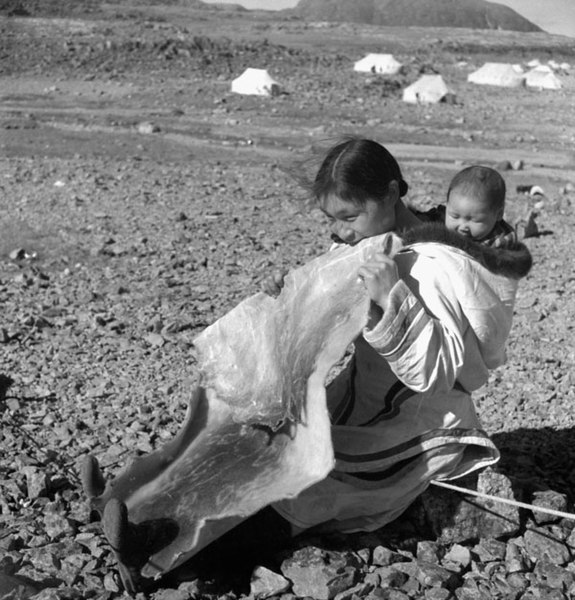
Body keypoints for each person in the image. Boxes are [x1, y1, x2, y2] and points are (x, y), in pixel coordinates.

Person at [84, 137, 532, 593]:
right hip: (362, 399)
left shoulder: (435, 263)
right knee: (255, 446)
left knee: (303, 493)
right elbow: (330, 302)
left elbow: (437, 375)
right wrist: (296, 297)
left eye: (349, 217)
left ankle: (161, 553)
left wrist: (391, 298)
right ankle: (134, 506)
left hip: (418, 424)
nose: (341, 232)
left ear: (392, 194)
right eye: (332, 220)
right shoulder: (378, 244)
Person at [416, 165, 517, 247]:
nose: (463, 226)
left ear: (498, 214)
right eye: (455, 217)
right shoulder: (439, 218)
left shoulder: (502, 241)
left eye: (475, 220)